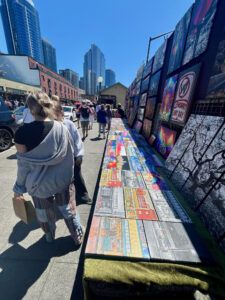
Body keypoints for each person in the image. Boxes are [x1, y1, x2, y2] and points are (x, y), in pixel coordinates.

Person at [13, 92, 85, 245]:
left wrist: (18, 188)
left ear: (30, 109)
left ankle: (49, 235)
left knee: (43, 212)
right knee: (68, 209)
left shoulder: (21, 134)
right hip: (62, 180)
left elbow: (23, 166)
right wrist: (69, 178)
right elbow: (69, 156)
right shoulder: (62, 128)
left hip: (37, 184)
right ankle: (77, 236)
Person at [54, 103, 92, 204]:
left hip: (72, 157)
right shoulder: (51, 126)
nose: (54, 113)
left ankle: (83, 196)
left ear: (61, 112)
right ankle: (65, 198)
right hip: (59, 159)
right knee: (62, 180)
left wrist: (79, 155)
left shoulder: (69, 124)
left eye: (56, 111)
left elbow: (77, 140)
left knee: (77, 177)